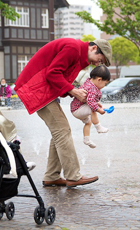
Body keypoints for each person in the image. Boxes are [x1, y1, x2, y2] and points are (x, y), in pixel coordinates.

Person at [14, 38, 112, 188]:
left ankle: (52, 176)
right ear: (93, 49)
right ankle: (73, 176)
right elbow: (52, 73)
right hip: (38, 89)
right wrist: (73, 90)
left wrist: (80, 95)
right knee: (62, 131)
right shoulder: (73, 48)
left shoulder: (77, 53)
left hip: (42, 89)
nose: (98, 64)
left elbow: (59, 77)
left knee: (59, 132)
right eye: (100, 59)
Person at [71, 65, 110, 148]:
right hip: (77, 109)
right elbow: (91, 103)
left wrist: (97, 105)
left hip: (77, 108)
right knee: (92, 109)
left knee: (88, 122)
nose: (104, 86)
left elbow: (89, 99)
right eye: (105, 83)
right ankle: (99, 127)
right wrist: (99, 110)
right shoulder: (92, 88)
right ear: (99, 80)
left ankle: (87, 139)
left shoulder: (89, 84)